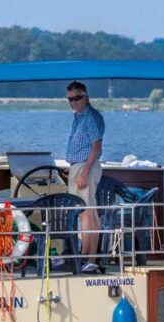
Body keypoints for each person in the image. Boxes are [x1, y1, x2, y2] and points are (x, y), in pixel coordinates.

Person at [64, 81, 105, 274]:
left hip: (84, 167)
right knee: (89, 213)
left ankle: (87, 257)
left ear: (86, 97)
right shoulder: (78, 117)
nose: (74, 102)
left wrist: (84, 172)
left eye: (77, 98)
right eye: (70, 99)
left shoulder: (90, 118)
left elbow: (96, 148)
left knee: (86, 213)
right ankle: (88, 257)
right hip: (78, 166)